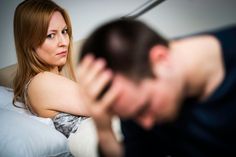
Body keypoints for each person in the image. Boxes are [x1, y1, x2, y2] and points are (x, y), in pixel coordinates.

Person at [78, 19, 236, 156]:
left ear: (161, 59)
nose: (146, 124)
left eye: (145, 107)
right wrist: (103, 129)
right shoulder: (135, 105)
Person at [12, 0, 98, 138]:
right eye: (50, 35)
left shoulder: (52, 79)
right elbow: (106, 105)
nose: (64, 42)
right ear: (28, 42)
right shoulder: (40, 82)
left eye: (64, 31)